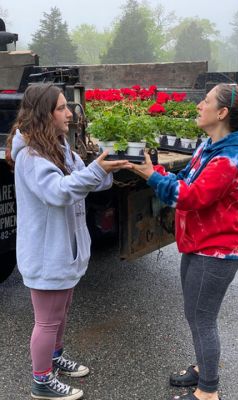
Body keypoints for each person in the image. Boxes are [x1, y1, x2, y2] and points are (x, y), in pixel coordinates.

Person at [127, 83, 238, 400]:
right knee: (194, 315)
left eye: (204, 101)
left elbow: (191, 197)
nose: (197, 106)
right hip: (198, 244)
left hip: (217, 251)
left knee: (203, 319)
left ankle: (208, 391)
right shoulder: (209, 146)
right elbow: (185, 180)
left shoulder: (231, 157)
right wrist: (155, 170)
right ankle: (203, 368)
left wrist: (151, 177)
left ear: (221, 113)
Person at [6, 83, 131, 400]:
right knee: (46, 321)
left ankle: (55, 358)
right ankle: (41, 381)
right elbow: (59, 192)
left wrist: (107, 164)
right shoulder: (31, 157)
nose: (69, 112)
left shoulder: (60, 148)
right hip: (47, 254)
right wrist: (94, 170)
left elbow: (93, 181)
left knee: (60, 313)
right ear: (45, 114)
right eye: (62, 107)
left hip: (64, 252)